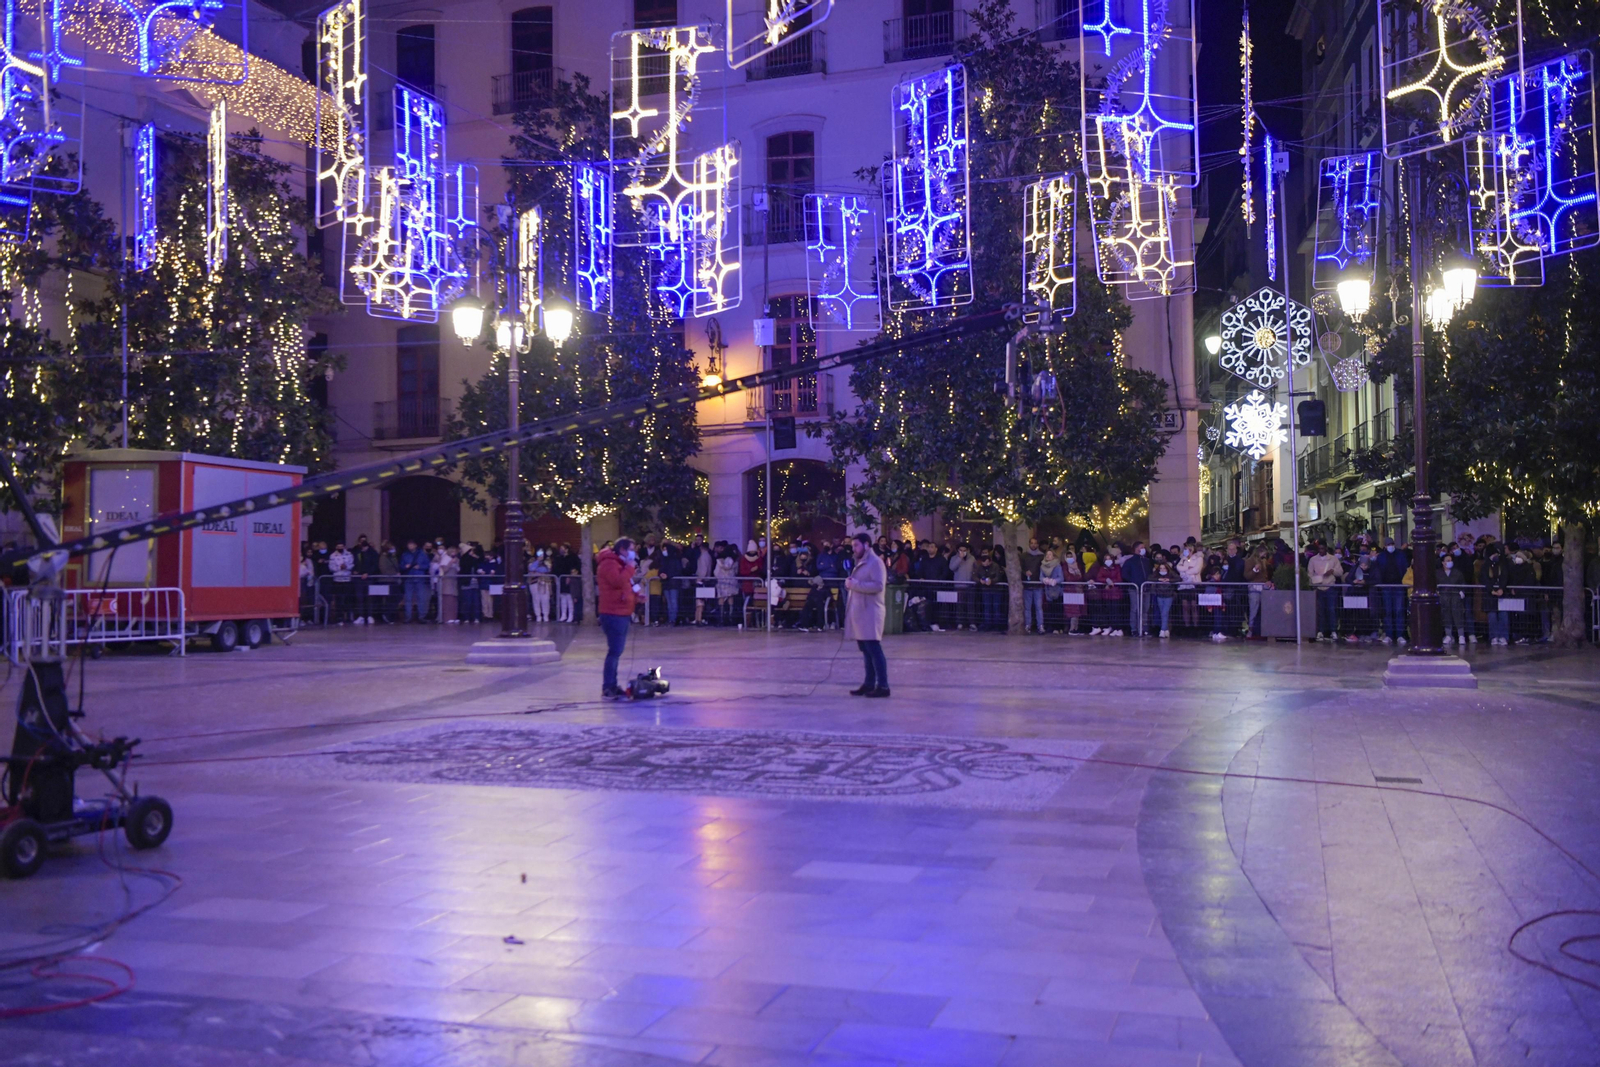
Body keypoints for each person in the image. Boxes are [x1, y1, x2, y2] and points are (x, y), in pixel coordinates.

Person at [844, 533, 889, 697]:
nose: (853, 549)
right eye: (852, 546)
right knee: (866, 650)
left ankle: (883, 685)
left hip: (871, 612)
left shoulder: (875, 563)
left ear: (867, 545)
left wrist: (855, 584)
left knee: (874, 649)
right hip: (861, 613)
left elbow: (878, 586)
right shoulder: (861, 562)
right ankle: (869, 683)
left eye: (856, 545)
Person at [597, 538, 639, 699]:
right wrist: (629, 567)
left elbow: (626, 584)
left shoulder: (619, 564)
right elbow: (617, 581)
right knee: (614, 651)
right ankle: (608, 686)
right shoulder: (609, 564)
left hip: (622, 612)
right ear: (622, 549)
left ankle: (612, 685)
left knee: (616, 651)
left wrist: (636, 595)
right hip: (613, 613)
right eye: (631, 548)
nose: (633, 552)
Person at [1309, 543, 1344, 640]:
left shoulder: (1333, 559)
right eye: (1319, 549)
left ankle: (1333, 630)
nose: (1321, 550)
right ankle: (1320, 631)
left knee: (1331, 610)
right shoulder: (1313, 560)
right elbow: (1310, 574)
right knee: (1320, 611)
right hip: (1319, 587)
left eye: (1323, 548)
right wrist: (1315, 580)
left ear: (1326, 549)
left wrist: (1332, 571)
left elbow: (1340, 572)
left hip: (1330, 587)